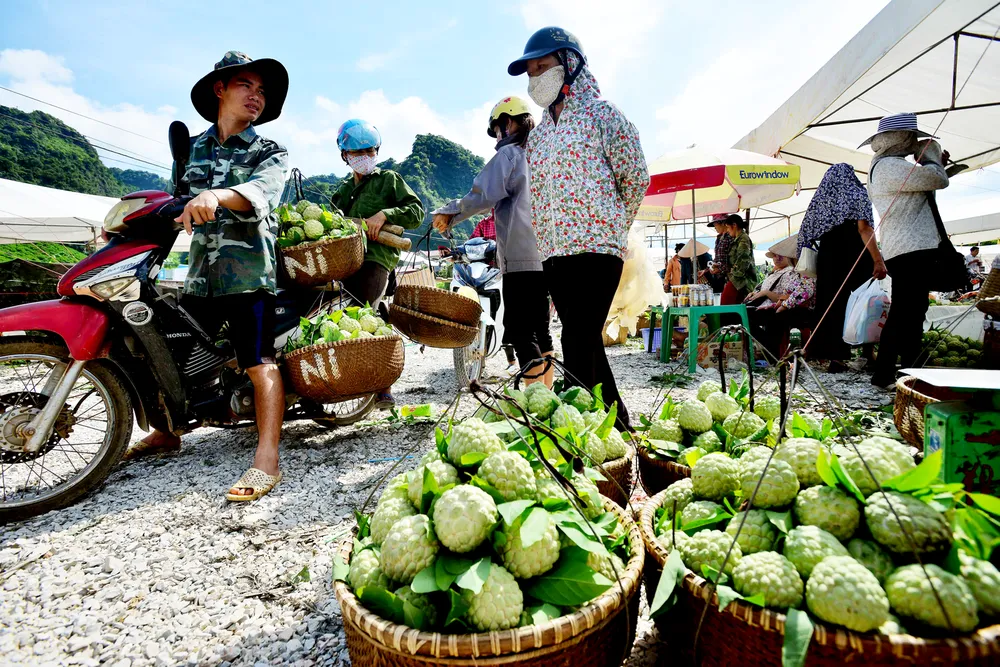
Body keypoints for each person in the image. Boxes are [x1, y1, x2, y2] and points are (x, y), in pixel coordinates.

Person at [123, 51, 290, 501]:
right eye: (246, 86)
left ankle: (267, 459)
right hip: (199, 273)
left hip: (248, 271)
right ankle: (167, 432)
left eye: (261, 91)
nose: (256, 96)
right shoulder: (191, 149)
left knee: (258, 362)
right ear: (221, 89)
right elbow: (177, 201)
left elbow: (261, 193)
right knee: (165, 353)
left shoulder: (269, 151)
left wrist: (218, 195)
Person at [508, 27, 649, 430]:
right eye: (530, 72)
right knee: (583, 340)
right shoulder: (538, 136)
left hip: (597, 249)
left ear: (570, 63)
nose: (536, 77)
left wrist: (614, 226)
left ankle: (582, 431)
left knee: (576, 339)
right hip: (554, 254)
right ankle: (619, 426)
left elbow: (635, 177)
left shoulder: (603, 114)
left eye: (543, 66)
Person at [433, 96, 553, 386]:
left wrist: (449, 213)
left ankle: (536, 398)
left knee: (519, 329)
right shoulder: (544, 153)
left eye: (497, 130)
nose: (497, 137)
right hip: (548, 256)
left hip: (521, 257)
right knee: (540, 328)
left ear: (508, 123)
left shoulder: (510, 154)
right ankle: (549, 398)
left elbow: (483, 194)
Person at [331, 119, 424, 407]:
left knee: (364, 315)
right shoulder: (342, 190)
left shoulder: (389, 180)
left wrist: (385, 214)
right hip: (345, 262)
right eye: (357, 153)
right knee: (336, 319)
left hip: (377, 259)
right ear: (345, 156)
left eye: (369, 151)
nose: (364, 157)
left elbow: (416, 211)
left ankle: (383, 385)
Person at [863, 113, 951, 388]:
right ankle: (887, 373)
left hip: (909, 247)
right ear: (900, 138)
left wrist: (933, 164)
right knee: (906, 313)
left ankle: (909, 372)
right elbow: (938, 180)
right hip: (910, 248)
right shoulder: (889, 165)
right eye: (910, 136)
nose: (914, 141)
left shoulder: (888, 165)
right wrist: (932, 157)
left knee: (913, 312)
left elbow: (928, 184)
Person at [798, 163, 888, 372]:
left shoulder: (820, 200)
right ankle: (867, 352)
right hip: (854, 252)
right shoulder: (857, 193)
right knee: (863, 300)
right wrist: (877, 259)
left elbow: (806, 233)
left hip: (828, 255)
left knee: (830, 304)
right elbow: (864, 229)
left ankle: (834, 357)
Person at [746, 235, 816, 359]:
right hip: (792, 306)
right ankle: (770, 351)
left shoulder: (806, 271)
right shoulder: (794, 272)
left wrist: (784, 304)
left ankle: (771, 354)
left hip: (805, 309)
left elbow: (804, 292)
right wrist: (780, 303)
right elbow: (787, 293)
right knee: (755, 316)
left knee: (775, 318)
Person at [721, 215, 755, 305]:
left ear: (734, 225)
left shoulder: (743, 239)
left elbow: (743, 262)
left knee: (725, 305)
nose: (727, 231)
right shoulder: (737, 240)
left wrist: (734, 273)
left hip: (741, 281)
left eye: (728, 227)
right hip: (737, 280)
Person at [703, 214, 734, 293]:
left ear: (723, 223)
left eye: (715, 224)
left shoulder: (730, 237)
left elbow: (732, 261)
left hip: (730, 278)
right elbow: (717, 259)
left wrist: (720, 269)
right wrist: (706, 270)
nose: (715, 227)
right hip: (720, 278)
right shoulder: (718, 239)